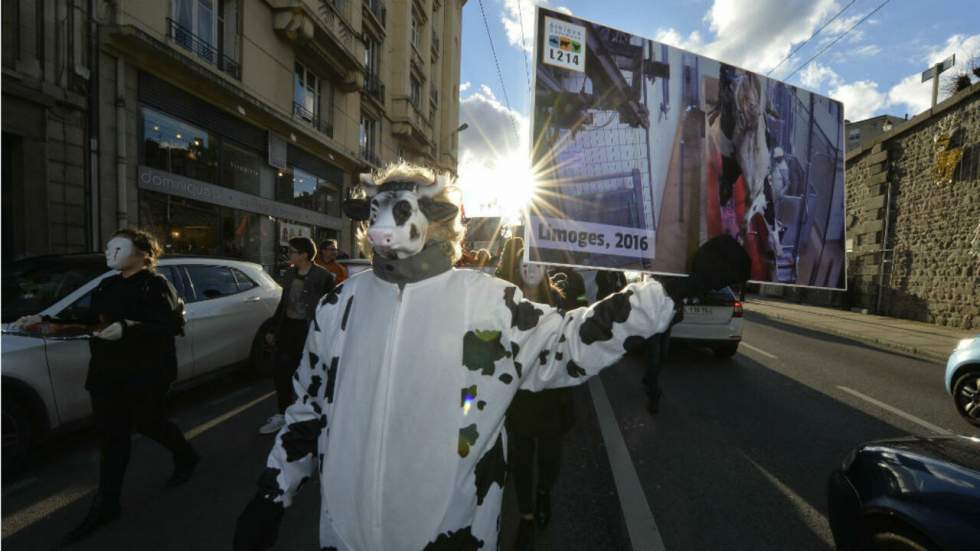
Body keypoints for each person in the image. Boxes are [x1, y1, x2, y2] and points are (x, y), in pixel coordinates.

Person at [232, 162, 749, 551]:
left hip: (451, 537)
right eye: (375, 213)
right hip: (342, 537)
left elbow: (568, 343)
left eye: (398, 210)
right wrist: (272, 493)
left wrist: (666, 291)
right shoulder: (338, 306)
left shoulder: (487, 302)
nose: (380, 227)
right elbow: (308, 411)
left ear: (438, 222)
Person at [14, 229, 199, 544]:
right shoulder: (108, 284)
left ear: (143, 254)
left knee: (149, 423)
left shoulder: (157, 285)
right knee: (112, 438)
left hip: (146, 372)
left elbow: (168, 326)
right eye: (108, 247)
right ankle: (107, 504)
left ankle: (186, 455)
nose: (110, 253)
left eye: (118, 247)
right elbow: (85, 317)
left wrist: (128, 327)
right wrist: (41, 319)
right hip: (107, 372)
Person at [496, 238, 576, 551]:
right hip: (518, 399)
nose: (530, 269)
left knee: (550, 460)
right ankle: (527, 516)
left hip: (550, 398)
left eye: (536, 264)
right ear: (518, 268)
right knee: (521, 458)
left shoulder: (558, 303)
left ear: (544, 270)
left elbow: (568, 349)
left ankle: (544, 492)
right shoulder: (505, 303)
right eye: (525, 264)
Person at [258, 237, 335, 435]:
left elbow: (330, 308)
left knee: (309, 374)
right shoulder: (290, 274)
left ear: (304, 254)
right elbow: (284, 303)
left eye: (292, 251)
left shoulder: (323, 275)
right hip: (288, 328)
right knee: (281, 372)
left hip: (309, 331)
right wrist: (273, 329)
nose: (289, 255)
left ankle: (309, 415)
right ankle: (283, 414)